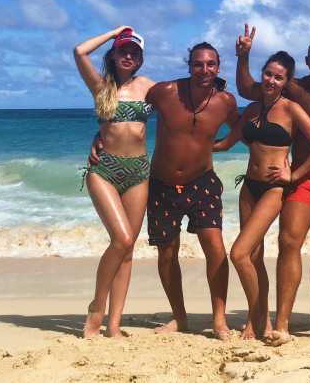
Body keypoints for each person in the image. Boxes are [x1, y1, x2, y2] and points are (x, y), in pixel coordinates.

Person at [90, 41, 240, 340]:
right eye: (198, 64)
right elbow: (124, 112)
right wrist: (101, 134)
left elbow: (243, 128)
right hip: (161, 183)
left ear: (218, 67)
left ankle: (220, 320)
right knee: (167, 253)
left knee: (215, 248)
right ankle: (180, 317)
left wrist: (223, 145)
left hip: (203, 182)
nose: (204, 69)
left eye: (210, 64)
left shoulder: (226, 101)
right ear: (189, 66)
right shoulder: (164, 91)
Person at [235, 25, 310, 346]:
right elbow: (249, 89)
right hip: (304, 177)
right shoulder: (293, 88)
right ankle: (282, 324)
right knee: (289, 242)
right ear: (307, 59)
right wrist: (243, 57)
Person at [215, 50, 310, 340]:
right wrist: (191, 145)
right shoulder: (252, 109)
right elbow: (226, 143)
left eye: (279, 77)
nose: (271, 80)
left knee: (238, 253)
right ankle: (257, 322)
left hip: (274, 189)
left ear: (286, 82)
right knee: (253, 257)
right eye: (268, 74)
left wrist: (295, 176)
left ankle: (259, 319)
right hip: (249, 187)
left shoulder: (291, 109)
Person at [74, 26, 155, 338]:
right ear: (113, 54)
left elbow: (180, 100)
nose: (129, 56)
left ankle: (114, 324)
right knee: (121, 239)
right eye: (123, 50)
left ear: (140, 59)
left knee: (129, 249)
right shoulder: (100, 87)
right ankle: (97, 306)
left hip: (139, 172)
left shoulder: (147, 85)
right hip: (104, 170)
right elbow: (79, 51)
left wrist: (214, 86)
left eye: (135, 53)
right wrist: (114, 34)